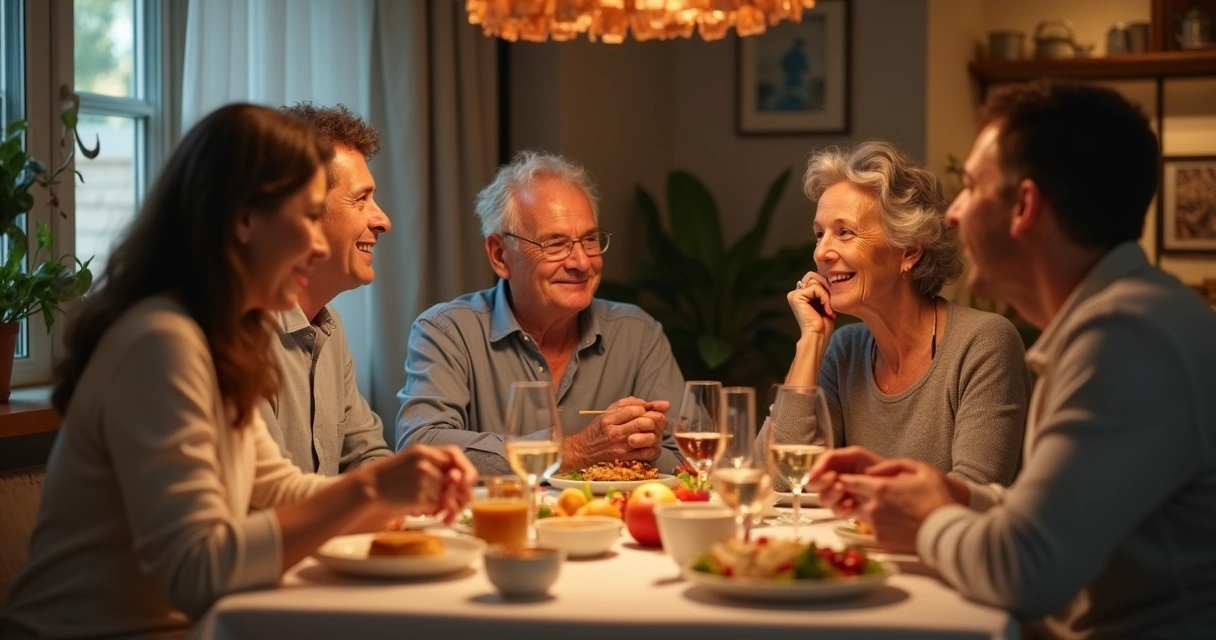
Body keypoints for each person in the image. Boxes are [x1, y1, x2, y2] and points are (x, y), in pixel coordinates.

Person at [0, 104, 476, 639]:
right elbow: (196, 571)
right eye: (306, 215)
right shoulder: (162, 340)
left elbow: (276, 487)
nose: (319, 243)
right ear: (245, 220)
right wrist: (367, 493)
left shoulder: (219, 334)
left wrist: (387, 487)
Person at [810, 81, 1216, 638]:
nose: (952, 215)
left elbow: (1027, 570)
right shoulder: (1126, 317)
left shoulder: (1125, 336)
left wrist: (923, 520)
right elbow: (1053, 516)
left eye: (973, 187)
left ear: (1024, 207)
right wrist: (947, 494)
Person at [395, 151, 685, 476]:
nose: (582, 262)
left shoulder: (637, 333)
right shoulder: (448, 331)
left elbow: (686, 458)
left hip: (605, 525)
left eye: (589, 240)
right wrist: (574, 451)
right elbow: (421, 445)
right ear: (500, 255)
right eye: (555, 244)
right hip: (494, 526)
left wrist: (636, 445)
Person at [758, 140, 1030, 487]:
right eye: (819, 234)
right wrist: (810, 341)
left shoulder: (984, 343)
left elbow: (973, 494)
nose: (822, 252)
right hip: (853, 543)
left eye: (845, 232)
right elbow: (777, 481)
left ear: (909, 251)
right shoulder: (845, 350)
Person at [258, 103, 392, 475]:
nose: (383, 220)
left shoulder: (330, 332)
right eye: (360, 199)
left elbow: (368, 458)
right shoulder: (237, 334)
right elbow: (269, 499)